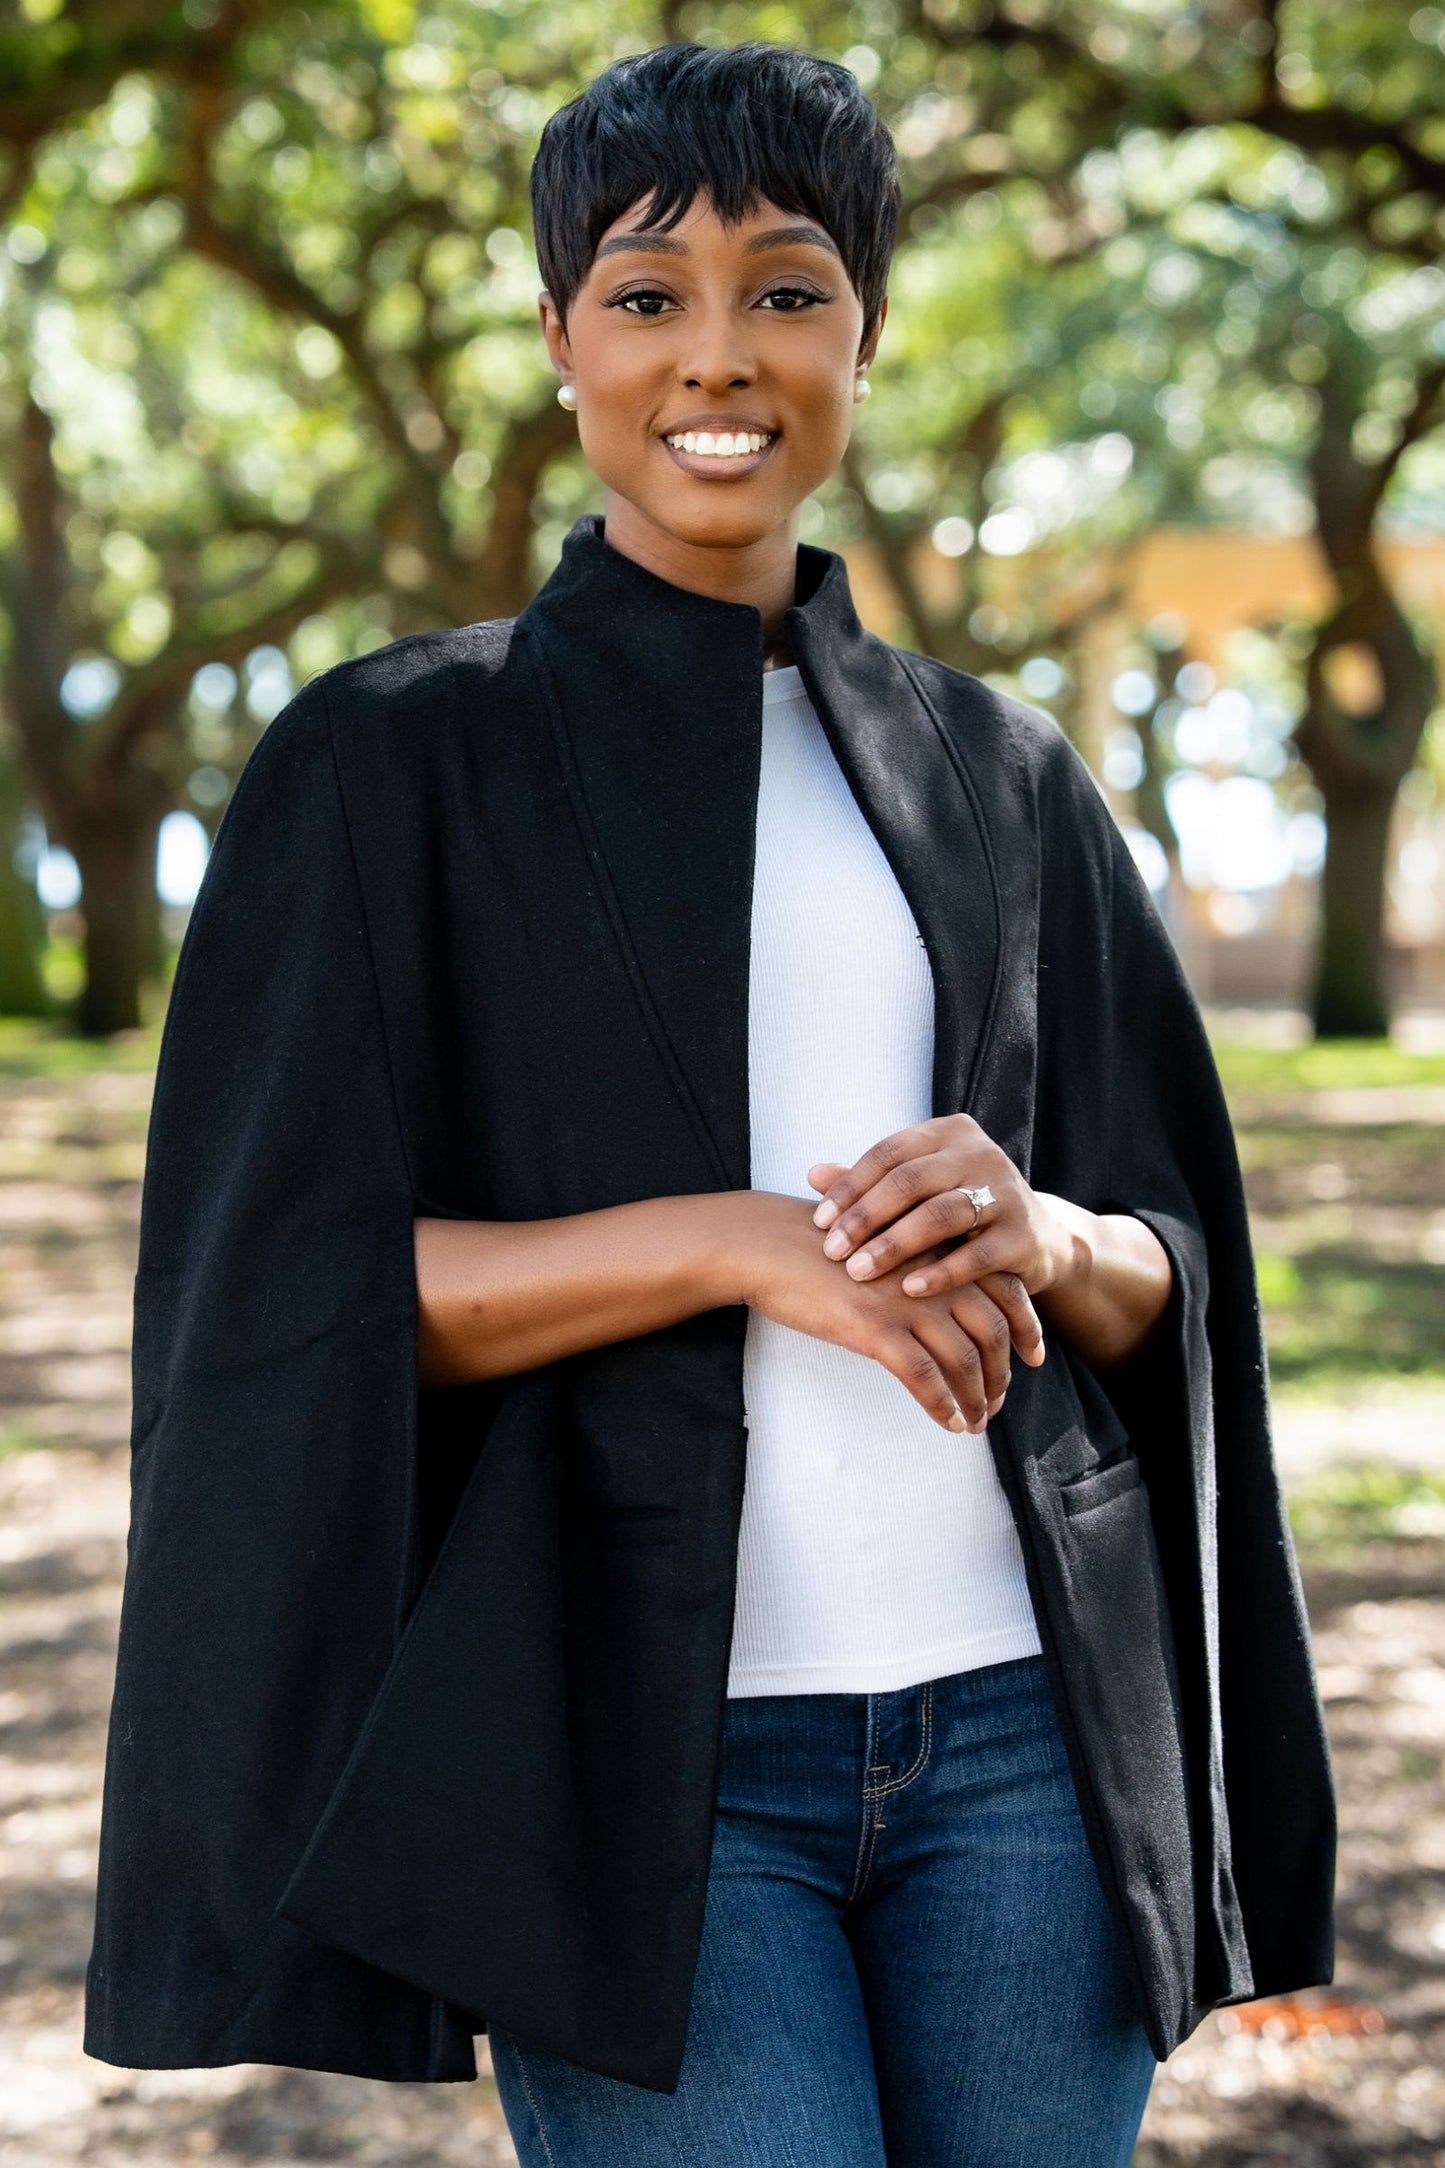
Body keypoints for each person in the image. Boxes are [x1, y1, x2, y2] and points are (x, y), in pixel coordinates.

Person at [85, 39, 1336, 2168]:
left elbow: (1168, 1267)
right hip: (640, 1767)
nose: (718, 355)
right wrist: (740, 1240)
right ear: (556, 332)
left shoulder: (1003, 777)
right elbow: (287, 1292)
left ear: (866, 332)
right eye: (648, 295)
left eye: (789, 287)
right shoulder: (390, 767)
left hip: (1029, 1749)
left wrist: (1046, 1233)